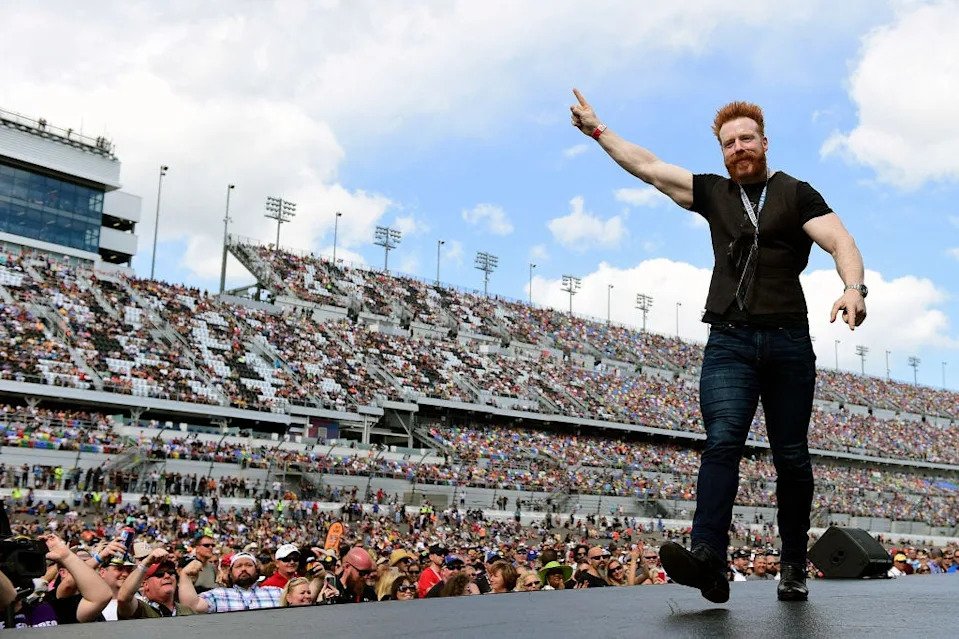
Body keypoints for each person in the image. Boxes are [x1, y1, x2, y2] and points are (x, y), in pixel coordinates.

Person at [570, 88, 867, 604]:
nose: (738, 148)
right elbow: (648, 166)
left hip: (788, 340)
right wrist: (599, 131)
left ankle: (794, 562)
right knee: (722, 441)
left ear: (764, 142)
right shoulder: (713, 192)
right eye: (728, 143)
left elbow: (841, 240)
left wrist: (853, 287)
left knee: (791, 457)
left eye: (746, 138)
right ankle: (709, 559)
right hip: (729, 339)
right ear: (723, 152)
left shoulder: (796, 194)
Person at [178, 552, 281, 613]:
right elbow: (191, 606)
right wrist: (185, 575)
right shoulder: (218, 595)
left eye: (249, 565)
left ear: (257, 570)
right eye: (238, 566)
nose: (244, 569)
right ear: (230, 573)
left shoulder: (276, 592)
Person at [117, 547, 195, 618]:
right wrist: (146, 563)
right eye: (160, 574)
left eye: (171, 572)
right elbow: (123, 599)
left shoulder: (187, 611)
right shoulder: (141, 609)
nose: (167, 576)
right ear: (146, 584)